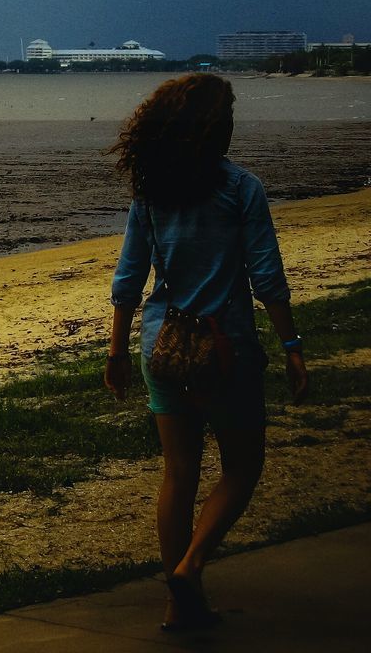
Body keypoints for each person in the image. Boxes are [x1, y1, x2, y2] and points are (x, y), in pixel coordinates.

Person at [103, 73, 308, 631]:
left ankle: (179, 607)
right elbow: (267, 278)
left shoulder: (151, 193)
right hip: (225, 350)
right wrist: (292, 346)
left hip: (161, 346)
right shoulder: (241, 189)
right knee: (242, 466)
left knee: (178, 474)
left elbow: (128, 280)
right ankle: (190, 569)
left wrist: (118, 352)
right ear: (217, 130)